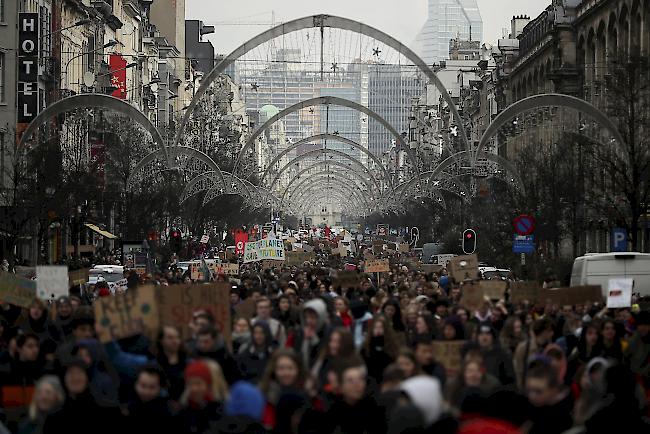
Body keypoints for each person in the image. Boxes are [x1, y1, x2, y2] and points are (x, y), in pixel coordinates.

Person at [43, 359, 122, 434]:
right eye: (71, 373)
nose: (76, 378)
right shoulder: (54, 419)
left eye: (80, 373)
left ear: (87, 379)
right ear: (64, 380)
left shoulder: (107, 410)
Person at [326, 360, 382, 434]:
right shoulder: (331, 412)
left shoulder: (375, 410)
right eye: (350, 380)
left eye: (360, 379)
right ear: (341, 386)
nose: (357, 384)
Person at [258, 349, 307, 431]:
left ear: (298, 369)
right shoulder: (266, 393)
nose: (286, 373)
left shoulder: (306, 393)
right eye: (281, 368)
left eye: (290, 368)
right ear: (274, 370)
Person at [175, 359, 228, 434]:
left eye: (198, 383)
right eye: (190, 384)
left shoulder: (218, 410)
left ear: (207, 385)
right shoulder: (183, 410)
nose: (194, 388)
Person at [524, 362, 574, 434]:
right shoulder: (535, 404)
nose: (532, 396)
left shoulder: (563, 418)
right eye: (529, 390)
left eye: (538, 391)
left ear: (554, 390)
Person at [123, 365, 174, 433]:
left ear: (160, 387)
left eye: (152, 387)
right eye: (143, 386)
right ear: (135, 384)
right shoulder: (132, 400)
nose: (146, 392)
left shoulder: (162, 409)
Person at [287, 298, 330, 370]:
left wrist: (314, 341)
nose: (308, 321)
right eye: (306, 317)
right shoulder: (299, 333)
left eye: (313, 317)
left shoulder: (329, 334)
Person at [514, 317, 555, 390]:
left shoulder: (552, 348)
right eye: (550, 330)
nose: (552, 333)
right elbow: (519, 371)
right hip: (528, 388)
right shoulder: (524, 347)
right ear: (543, 331)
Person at [361, 315, 398, 384]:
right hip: (371, 380)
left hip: (387, 379)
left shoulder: (391, 345)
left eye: (381, 327)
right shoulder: (366, 345)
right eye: (375, 327)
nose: (378, 330)